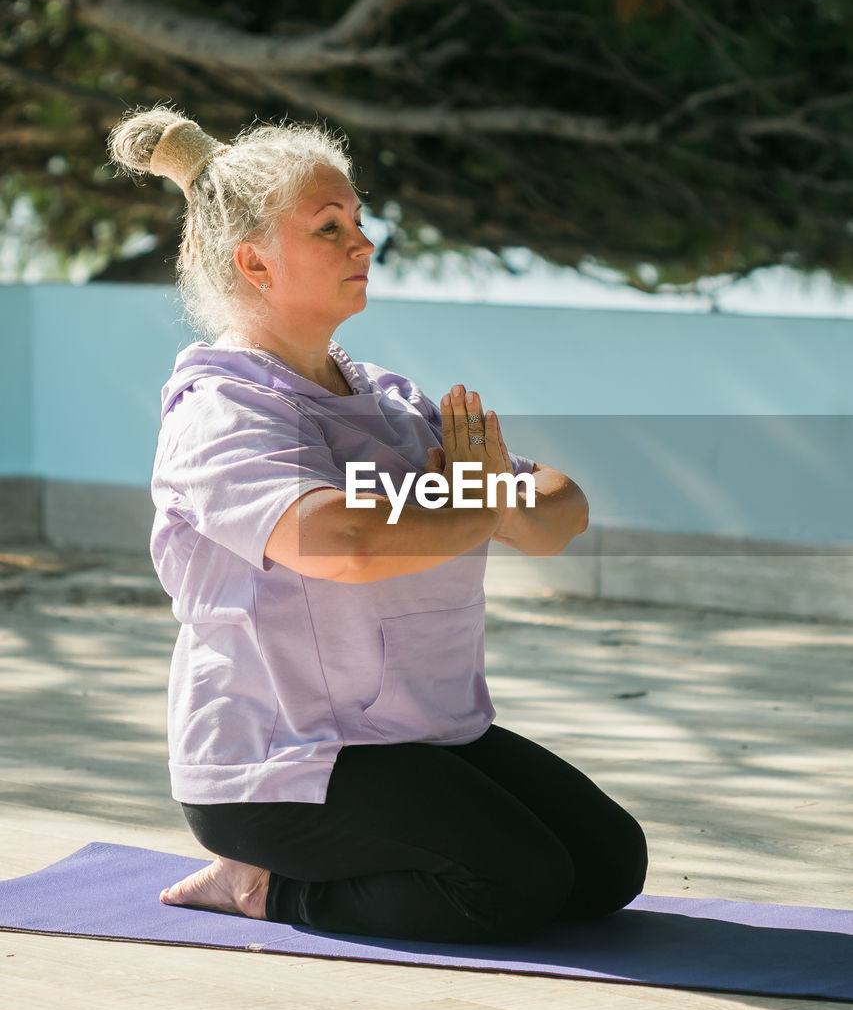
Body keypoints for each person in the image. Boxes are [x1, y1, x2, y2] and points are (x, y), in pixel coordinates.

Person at [107, 106, 648, 944]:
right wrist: (472, 504)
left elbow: (557, 518)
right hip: (279, 764)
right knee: (511, 884)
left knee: (609, 866)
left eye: (359, 222)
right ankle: (261, 887)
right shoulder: (221, 409)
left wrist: (488, 498)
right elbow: (341, 544)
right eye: (330, 228)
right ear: (254, 262)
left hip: (414, 733)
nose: (363, 245)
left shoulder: (391, 402)